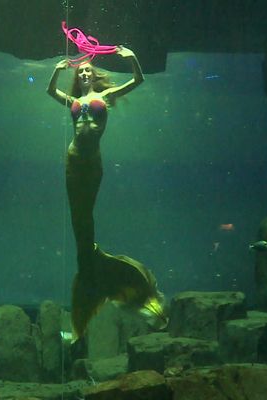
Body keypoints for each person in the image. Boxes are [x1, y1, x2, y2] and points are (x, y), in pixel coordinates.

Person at [47, 46, 167, 340]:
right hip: (73, 159)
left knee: (85, 214)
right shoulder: (74, 100)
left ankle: (93, 273)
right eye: (82, 72)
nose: (85, 73)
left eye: (88, 71)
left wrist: (132, 58)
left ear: (95, 75)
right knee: (79, 219)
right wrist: (57, 70)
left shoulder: (106, 97)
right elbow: (51, 92)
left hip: (92, 162)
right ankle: (90, 271)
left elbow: (137, 81)